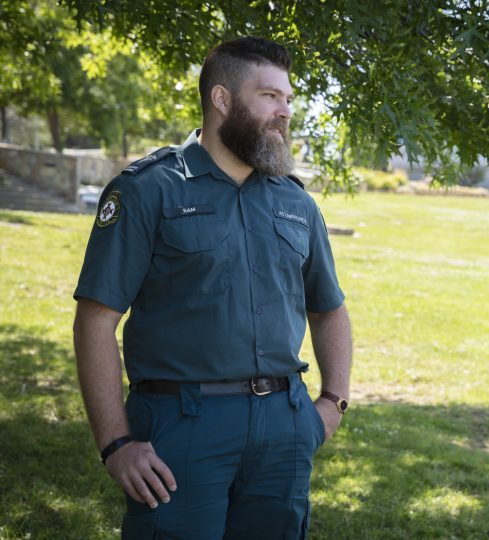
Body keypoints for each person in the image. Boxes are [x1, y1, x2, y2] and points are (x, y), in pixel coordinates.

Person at [72, 36, 352, 539]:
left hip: (284, 427)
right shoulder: (147, 190)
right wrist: (116, 444)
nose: (285, 111)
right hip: (181, 428)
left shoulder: (297, 203)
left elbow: (329, 308)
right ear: (221, 99)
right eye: (270, 96)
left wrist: (332, 403)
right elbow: (96, 320)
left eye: (288, 99)